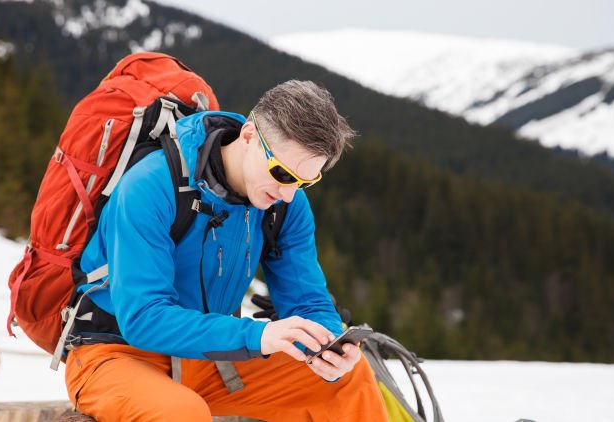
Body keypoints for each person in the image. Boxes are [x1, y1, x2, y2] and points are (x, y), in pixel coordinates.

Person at [64, 80, 388, 421]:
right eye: (281, 173)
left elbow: (307, 301)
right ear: (248, 136)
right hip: (115, 355)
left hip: (207, 359)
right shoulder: (150, 186)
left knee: (349, 380)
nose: (289, 193)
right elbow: (143, 318)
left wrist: (330, 346)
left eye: (305, 182)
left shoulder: (285, 204)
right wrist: (259, 335)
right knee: (180, 414)